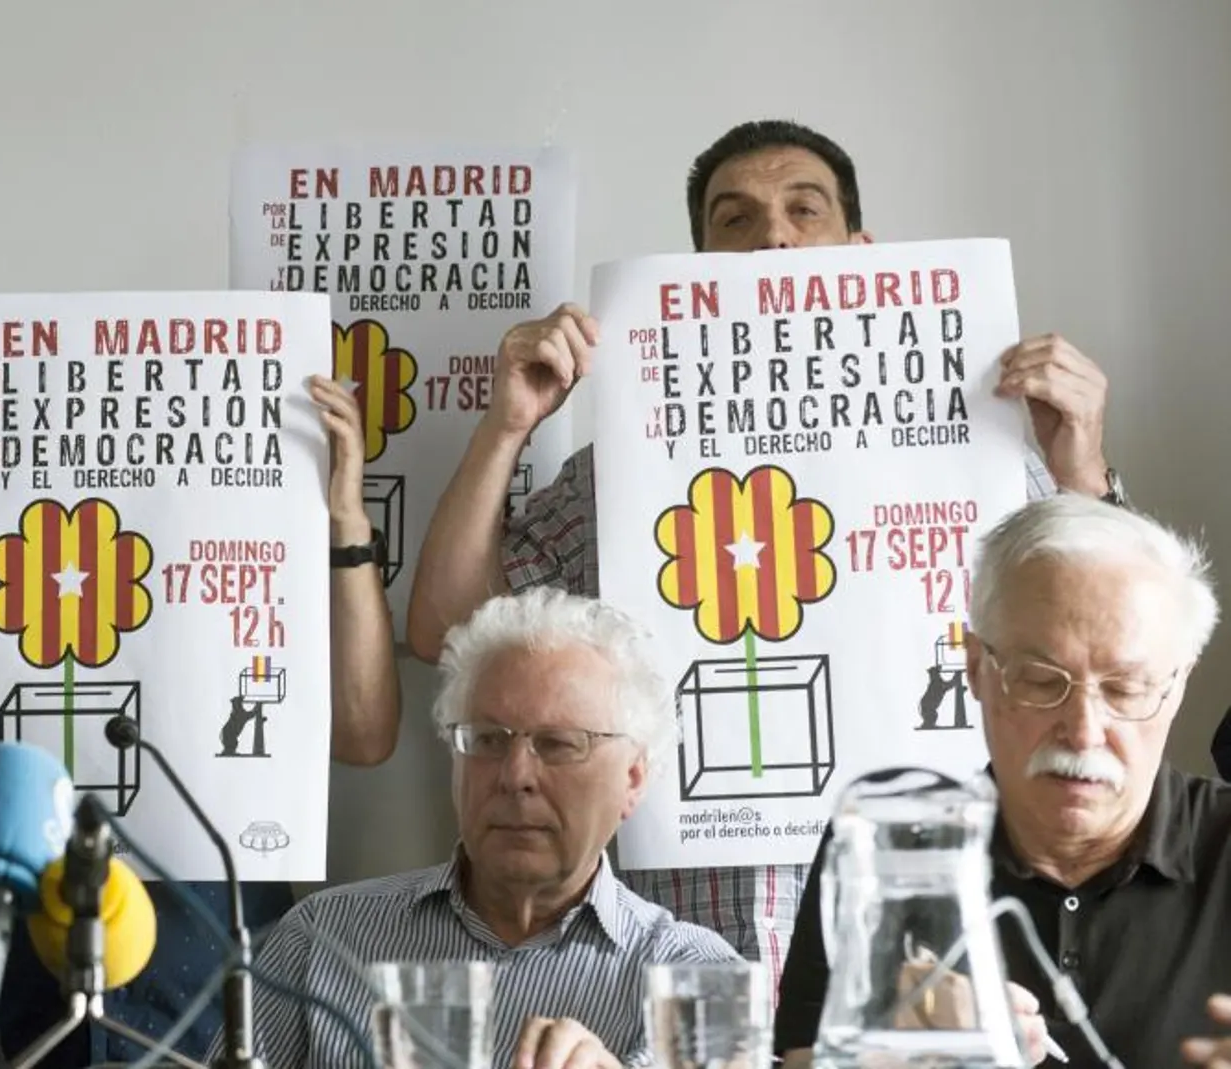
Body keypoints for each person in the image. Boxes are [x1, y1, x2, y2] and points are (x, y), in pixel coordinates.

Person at [405, 119, 1126, 985]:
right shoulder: (627, 472)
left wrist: (1079, 461)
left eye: (803, 209)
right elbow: (446, 628)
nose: (772, 237)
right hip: (674, 961)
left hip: (920, 945)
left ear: (861, 251)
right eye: (734, 219)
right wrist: (509, 423)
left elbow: (1123, 651)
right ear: (700, 263)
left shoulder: (983, 450)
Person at [0, 362, 402, 1063]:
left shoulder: (243, 577)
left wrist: (345, 519)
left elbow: (366, 733)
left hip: (215, 972)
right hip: (27, 969)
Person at [774, 495, 1231, 1068]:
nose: (1085, 732)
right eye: (1042, 681)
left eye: (1125, 689)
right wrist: (896, 1056)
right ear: (975, 669)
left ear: (1177, 685)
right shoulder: (888, 848)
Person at [233, 587, 739, 1069]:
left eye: (559, 743)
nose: (515, 776)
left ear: (632, 778)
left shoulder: (698, 979)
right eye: (488, 740)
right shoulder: (320, 939)